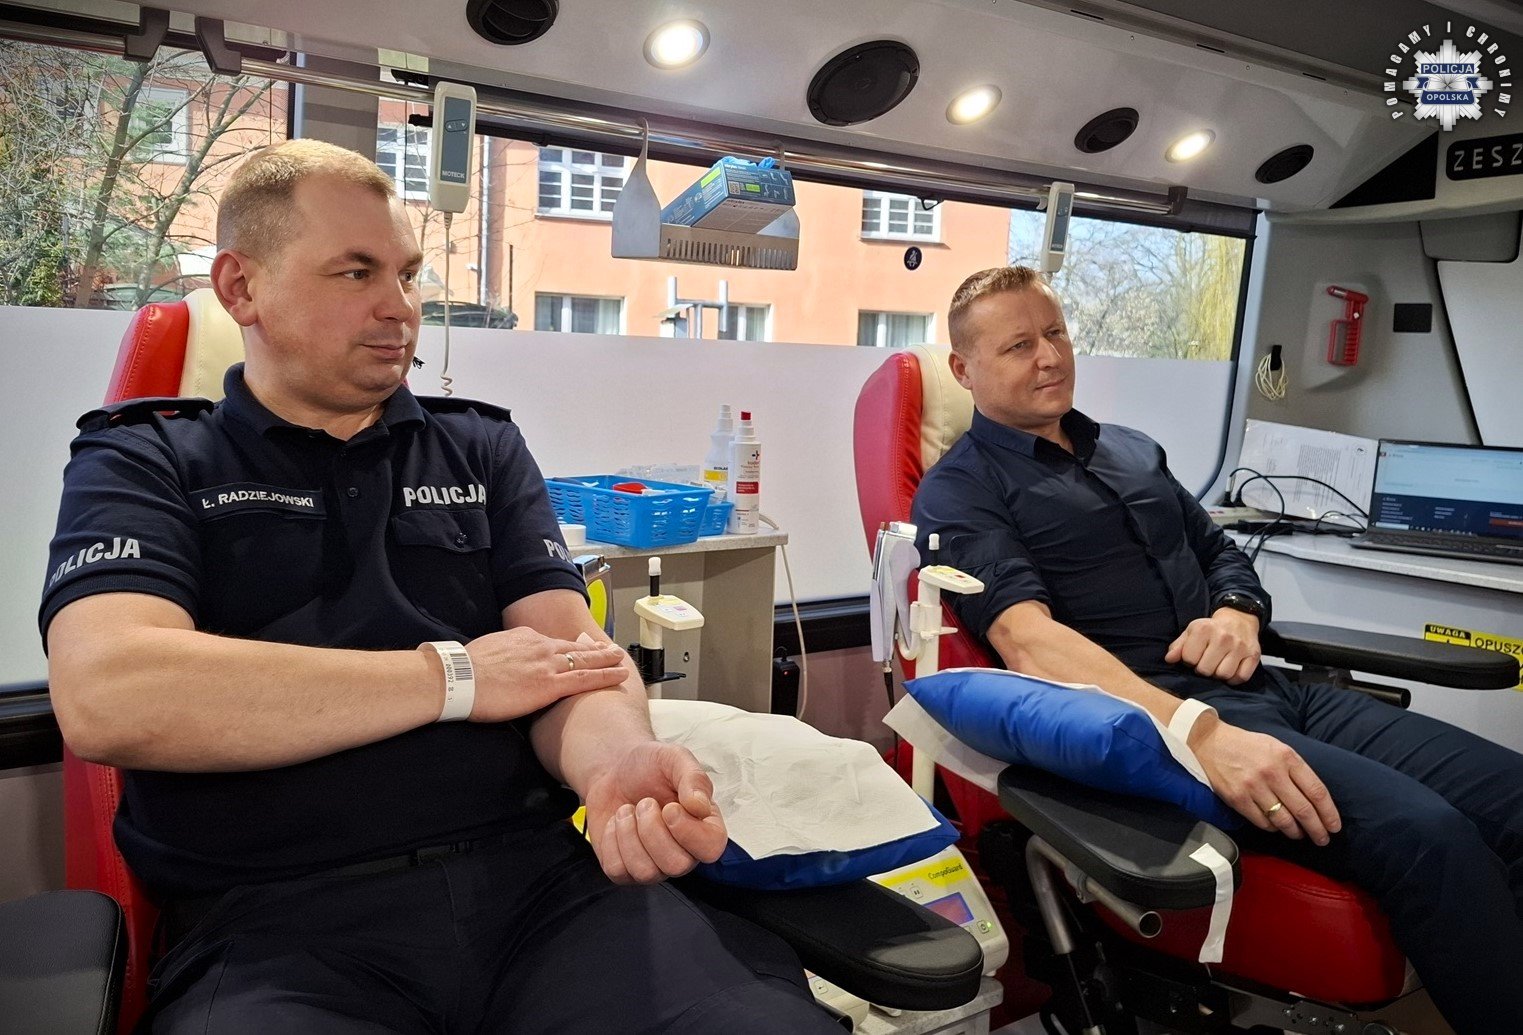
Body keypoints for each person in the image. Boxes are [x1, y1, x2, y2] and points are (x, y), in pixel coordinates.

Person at [40, 139, 842, 1034]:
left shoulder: (480, 448)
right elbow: (112, 693)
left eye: (408, 273)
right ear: (241, 287)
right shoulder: (146, 457)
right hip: (277, 925)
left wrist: (615, 761)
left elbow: (570, 663)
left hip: (540, 894)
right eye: (355, 272)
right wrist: (454, 676)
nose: (400, 307)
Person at [911, 265, 1523, 1035]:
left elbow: (1220, 553)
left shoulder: (1131, 450)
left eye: (1055, 332)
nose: (1050, 356)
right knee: (1430, 837)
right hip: (1170, 721)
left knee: (1514, 796)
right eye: (1017, 345)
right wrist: (1196, 732)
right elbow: (1027, 641)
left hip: (1272, 687)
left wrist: (1237, 613)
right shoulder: (959, 490)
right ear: (963, 369)